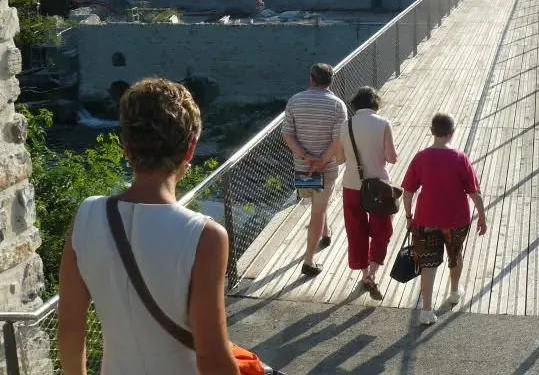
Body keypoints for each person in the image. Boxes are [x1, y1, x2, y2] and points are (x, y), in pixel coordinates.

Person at [58, 77, 239, 375]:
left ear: (126, 146)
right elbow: (211, 357)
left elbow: (69, 328)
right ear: (190, 149)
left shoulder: (87, 215)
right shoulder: (205, 237)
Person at [401, 112, 488, 326]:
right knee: (455, 254)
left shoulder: (421, 157)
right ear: (452, 133)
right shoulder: (460, 158)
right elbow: (474, 193)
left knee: (428, 263)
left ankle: (426, 311)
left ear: (432, 132)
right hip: (456, 219)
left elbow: (408, 192)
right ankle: (455, 292)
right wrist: (482, 217)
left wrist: (409, 215)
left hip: (426, 218)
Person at [281, 63, 347, 277]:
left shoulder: (295, 101)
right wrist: (321, 161)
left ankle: (325, 233)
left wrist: (306, 156)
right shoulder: (337, 105)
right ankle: (309, 260)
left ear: (311, 78)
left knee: (316, 204)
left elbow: (287, 135)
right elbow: (338, 140)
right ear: (331, 80)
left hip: (303, 168)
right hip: (325, 168)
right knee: (319, 209)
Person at [335, 86, 398, 300]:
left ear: (355, 104)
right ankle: (372, 272)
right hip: (379, 186)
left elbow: (340, 159)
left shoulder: (346, 126)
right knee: (382, 228)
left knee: (356, 229)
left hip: (352, 185)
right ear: (375, 103)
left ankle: (363, 274)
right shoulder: (383, 124)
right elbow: (392, 158)